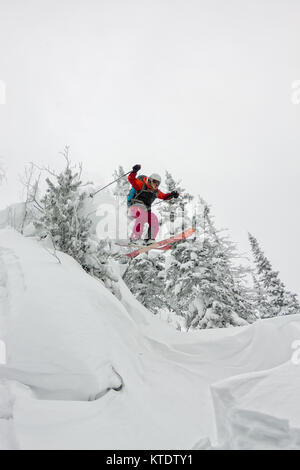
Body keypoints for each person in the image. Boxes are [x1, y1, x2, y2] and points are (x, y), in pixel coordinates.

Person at [127, 164, 179, 243]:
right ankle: (135, 236)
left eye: (158, 183)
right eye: (154, 182)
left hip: (145, 210)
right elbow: (132, 179)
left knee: (154, 219)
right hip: (134, 207)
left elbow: (164, 197)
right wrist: (134, 171)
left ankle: (149, 239)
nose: (156, 185)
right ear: (150, 180)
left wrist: (172, 194)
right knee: (142, 215)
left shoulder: (156, 192)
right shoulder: (141, 185)